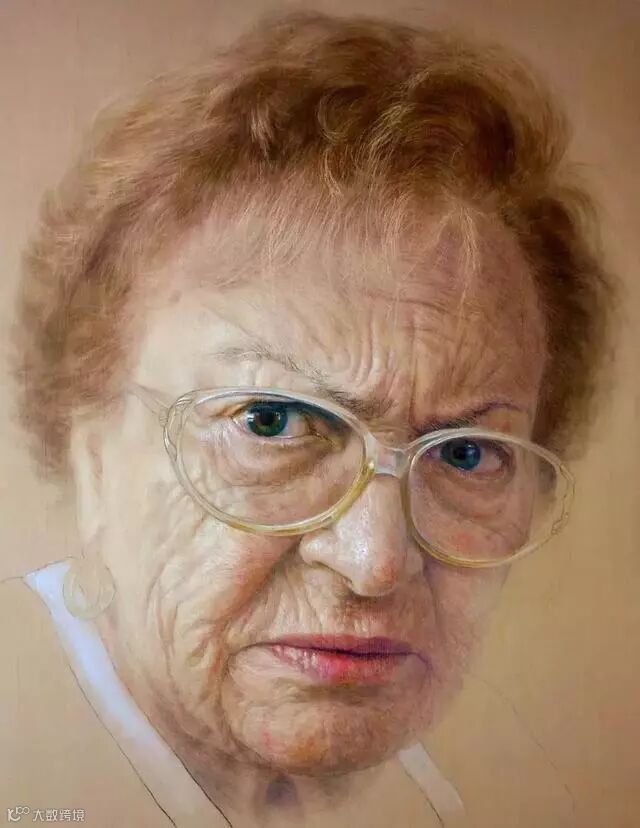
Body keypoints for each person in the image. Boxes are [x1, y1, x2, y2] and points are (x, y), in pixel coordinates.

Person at [4, 10, 610, 828]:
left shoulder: (484, 786)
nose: (375, 562)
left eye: (465, 454)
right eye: (271, 422)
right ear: (91, 452)